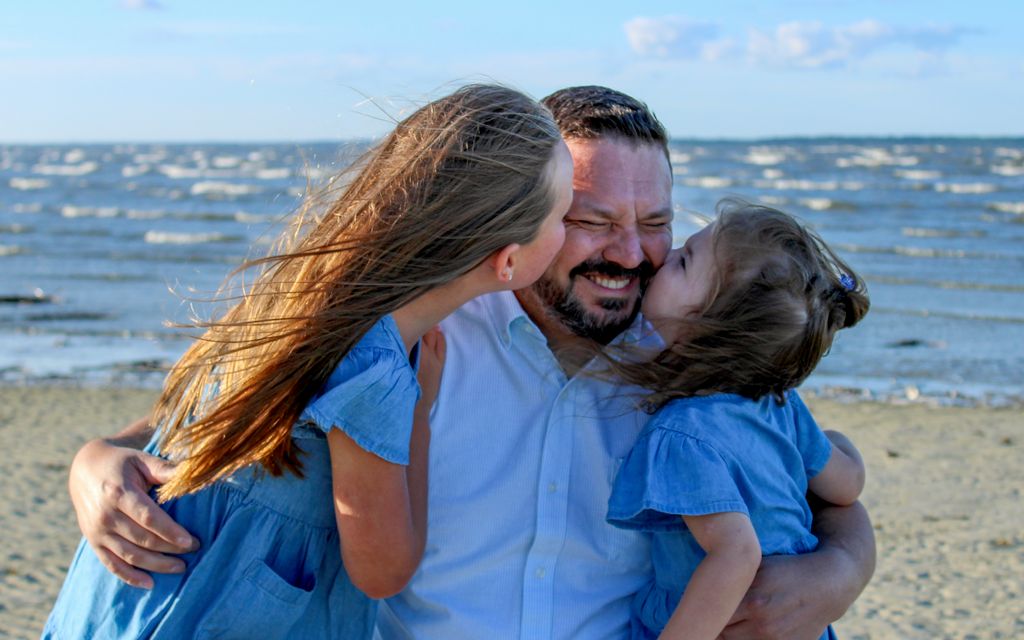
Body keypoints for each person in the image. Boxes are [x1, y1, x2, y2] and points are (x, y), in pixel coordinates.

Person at [62, 86, 876, 639]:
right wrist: (96, 463)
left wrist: (844, 568)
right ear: (519, 224)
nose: (631, 254)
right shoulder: (423, 328)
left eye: (658, 222)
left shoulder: (693, 360)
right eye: (589, 219)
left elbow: (810, 472)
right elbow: (218, 411)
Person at [42, 83, 575, 639]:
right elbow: (383, 570)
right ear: (508, 261)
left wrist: (97, 452)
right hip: (206, 613)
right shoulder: (379, 374)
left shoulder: (305, 294)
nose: (566, 231)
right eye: (564, 215)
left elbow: (201, 419)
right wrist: (419, 411)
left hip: (120, 607)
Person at [602, 200, 868, 640]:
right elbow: (848, 485)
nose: (664, 258)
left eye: (684, 261)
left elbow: (737, 554)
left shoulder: (682, 434)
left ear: (705, 326)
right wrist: (836, 441)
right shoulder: (781, 405)